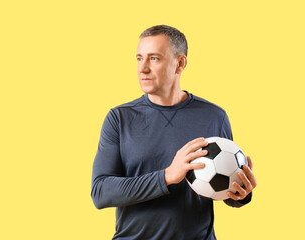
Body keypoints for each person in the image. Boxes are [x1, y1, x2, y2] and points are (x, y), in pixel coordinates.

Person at [91, 25, 257, 240]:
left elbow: (221, 187)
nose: (143, 68)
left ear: (180, 63)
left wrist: (240, 194)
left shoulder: (214, 116)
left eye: (154, 59)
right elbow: (101, 192)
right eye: (139, 58)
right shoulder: (119, 118)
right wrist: (167, 176)